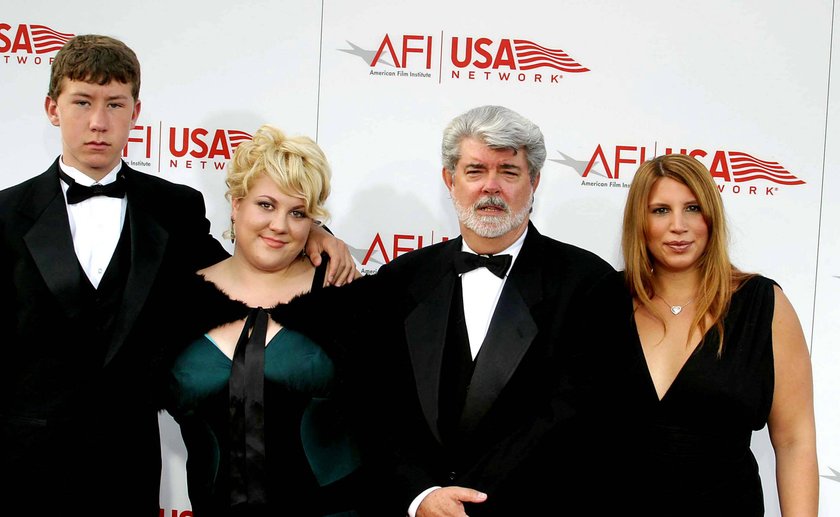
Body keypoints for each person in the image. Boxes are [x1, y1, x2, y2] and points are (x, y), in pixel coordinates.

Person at [0, 34, 353, 514]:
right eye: (82, 102)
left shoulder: (174, 209)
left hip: (128, 470)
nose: (98, 122)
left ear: (136, 112)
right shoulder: (5, 214)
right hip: (22, 469)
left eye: (115, 104)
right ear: (51, 108)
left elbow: (243, 268)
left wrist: (314, 230)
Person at [270, 105, 615, 516]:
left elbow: (578, 417)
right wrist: (420, 496)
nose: (491, 187)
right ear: (449, 180)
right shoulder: (401, 279)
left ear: (534, 181)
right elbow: (372, 404)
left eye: (508, 171)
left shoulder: (587, 283)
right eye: (475, 171)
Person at [582, 153, 818, 515]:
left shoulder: (762, 305)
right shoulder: (602, 301)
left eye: (692, 208)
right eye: (660, 210)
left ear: (712, 216)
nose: (679, 225)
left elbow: (793, 441)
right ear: (639, 222)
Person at [165, 124, 367, 516]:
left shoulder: (344, 296)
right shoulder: (178, 299)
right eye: (266, 205)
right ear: (236, 204)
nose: (280, 225)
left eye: (298, 213)